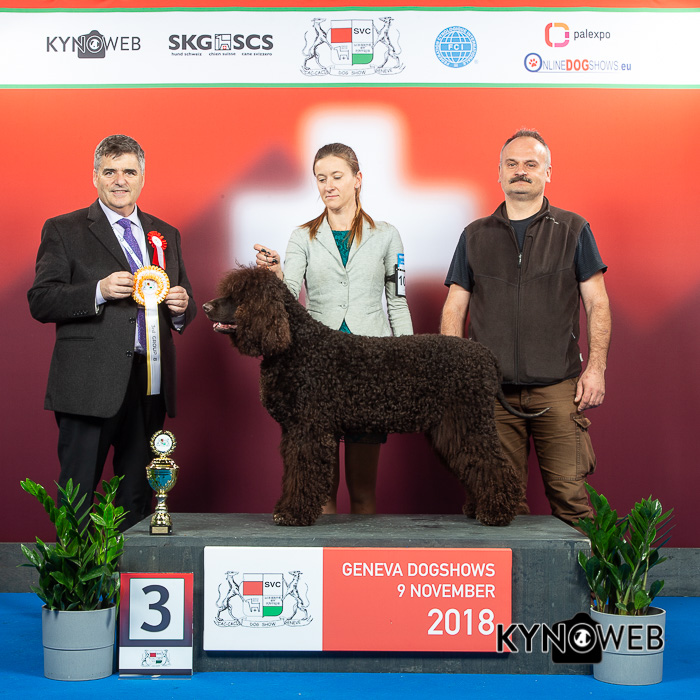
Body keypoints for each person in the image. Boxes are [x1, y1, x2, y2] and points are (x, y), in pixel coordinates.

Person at [440, 129, 611, 525]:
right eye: (512, 164)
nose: (521, 171)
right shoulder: (474, 235)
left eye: (531, 164)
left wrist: (597, 368)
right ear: (499, 173)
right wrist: (456, 373)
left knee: (571, 500)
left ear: (547, 172)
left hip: (559, 388)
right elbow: (455, 306)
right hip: (492, 392)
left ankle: (588, 571)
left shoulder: (574, 229)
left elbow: (597, 302)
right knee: (499, 504)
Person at [28, 134, 196, 530]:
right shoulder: (64, 229)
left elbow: (184, 303)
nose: (120, 180)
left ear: (142, 178)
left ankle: (130, 571)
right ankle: (75, 573)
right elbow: (41, 300)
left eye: (129, 172)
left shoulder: (165, 233)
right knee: (77, 494)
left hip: (149, 382)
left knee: (137, 494)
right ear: (95, 177)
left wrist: (181, 307)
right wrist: (98, 291)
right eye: (110, 172)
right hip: (88, 383)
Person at [254, 142, 413, 514]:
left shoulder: (388, 235)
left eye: (337, 176)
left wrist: (407, 357)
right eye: (321, 178)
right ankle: (321, 551)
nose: (328, 185)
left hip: (371, 365)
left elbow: (397, 300)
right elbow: (289, 298)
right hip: (316, 367)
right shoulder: (301, 236)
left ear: (358, 179)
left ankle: (360, 552)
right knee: (319, 489)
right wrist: (275, 274)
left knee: (363, 490)